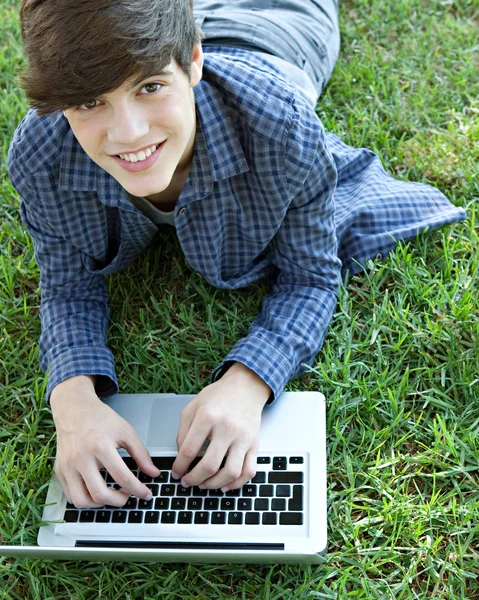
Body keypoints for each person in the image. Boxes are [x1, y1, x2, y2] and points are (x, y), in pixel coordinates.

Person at [8, 0, 465, 510]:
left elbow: (310, 276)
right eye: (90, 103)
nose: (129, 132)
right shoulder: (40, 154)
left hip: (274, 28)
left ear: (195, 62)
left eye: (150, 87)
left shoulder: (281, 128)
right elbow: (68, 285)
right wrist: (72, 404)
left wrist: (248, 383)